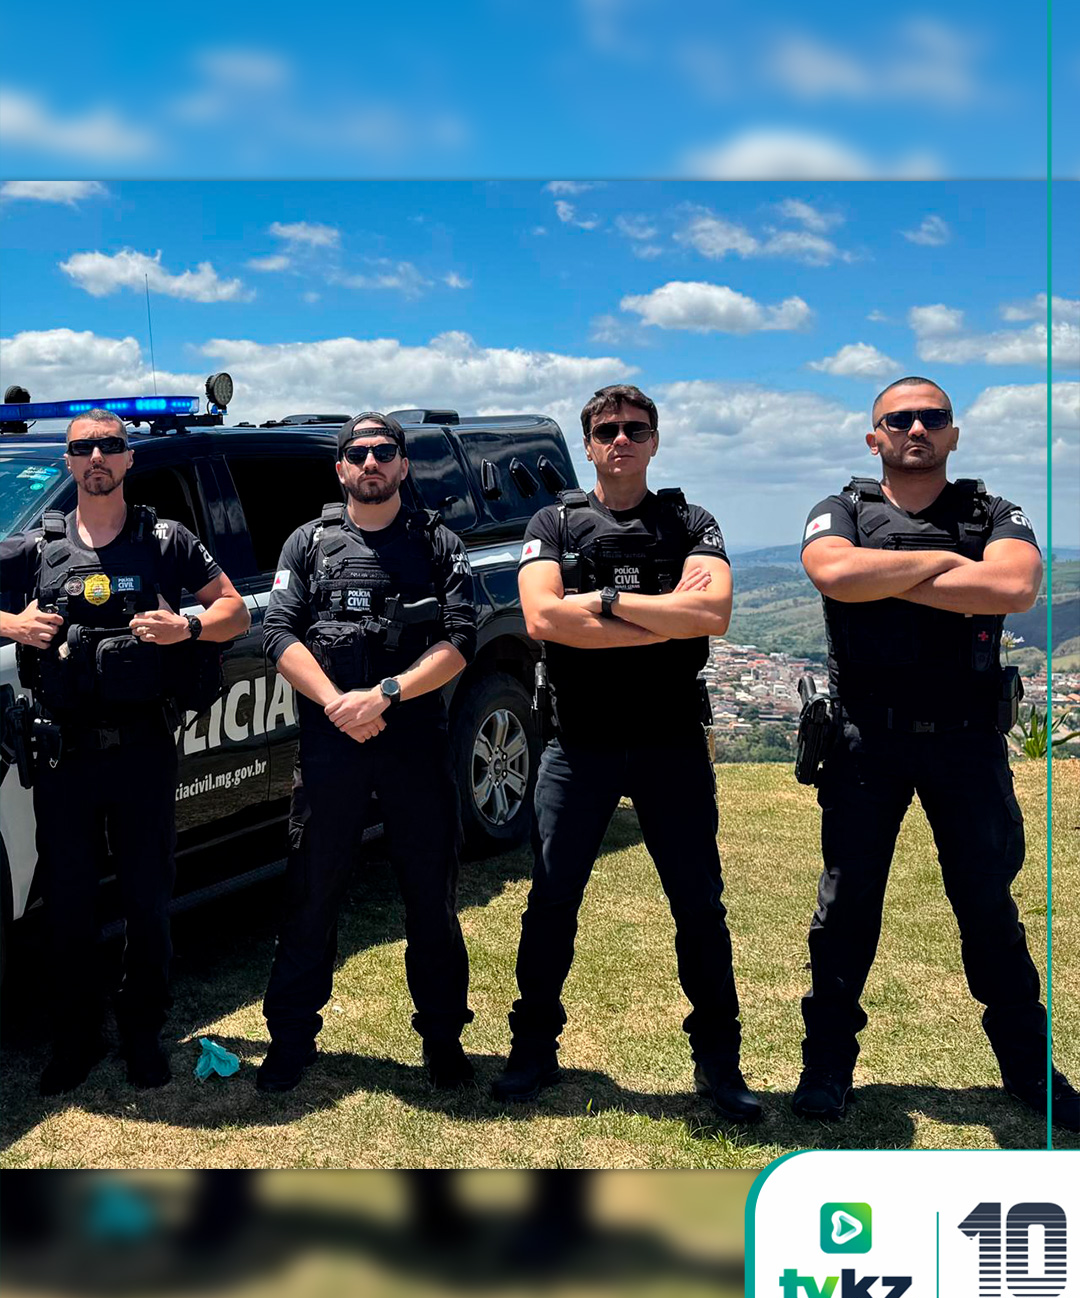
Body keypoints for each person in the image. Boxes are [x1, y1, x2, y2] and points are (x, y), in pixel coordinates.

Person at [795, 375, 1078, 1131]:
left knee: (988, 906)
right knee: (845, 908)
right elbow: (834, 572)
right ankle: (827, 1066)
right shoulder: (842, 509)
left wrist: (887, 578)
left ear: (953, 433)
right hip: (865, 741)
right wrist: (954, 568)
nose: (916, 429)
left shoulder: (993, 511)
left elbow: (1014, 587)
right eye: (900, 420)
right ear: (875, 438)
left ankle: (1029, 1069)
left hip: (967, 741)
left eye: (932, 418)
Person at [491, 384, 760, 1123]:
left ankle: (720, 1062)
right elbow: (542, 617)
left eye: (635, 429)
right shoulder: (553, 521)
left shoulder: (690, 521)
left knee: (699, 905)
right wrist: (663, 616)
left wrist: (604, 603)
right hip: (578, 741)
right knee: (551, 899)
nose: (621, 440)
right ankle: (532, 1049)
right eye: (607, 430)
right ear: (588, 444)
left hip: (671, 739)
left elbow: (713, 613)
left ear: (654, 440)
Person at [0, 408, 249, 1095]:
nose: (97, 457)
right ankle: (74, 1039)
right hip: (65, 756)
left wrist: (186, 626)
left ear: (129, 458)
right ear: (69, 462)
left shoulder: (164, 540)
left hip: (143, 751)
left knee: (147, 899)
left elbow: (235, 611)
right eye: (84, 448)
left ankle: (143, 1034)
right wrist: (12, 622)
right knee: (69, 903)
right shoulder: (39, 546)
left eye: (110, 445)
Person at [257, 412, 477, 1093]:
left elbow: (460, 640)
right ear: (341, 469)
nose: (371, 462)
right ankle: (291, 1040)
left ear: (404, 465)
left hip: (413, 744)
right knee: (310, 894)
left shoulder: (438, 543)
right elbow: (278, 633)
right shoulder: (308, 543)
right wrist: (337, 704)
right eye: (358, 453)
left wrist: (384, 694)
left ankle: (443, 1040)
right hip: (332, 746)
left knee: (430, 898)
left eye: (384, 451)